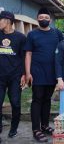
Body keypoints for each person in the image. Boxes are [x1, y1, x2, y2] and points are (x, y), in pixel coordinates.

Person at [24, 8, 63, 143]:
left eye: (46, 17)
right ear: (37, 19)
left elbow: (63, 50)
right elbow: (28, 54)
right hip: (37, 73)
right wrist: (28, 73)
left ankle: (45, 125)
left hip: (52, 73)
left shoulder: (57, 33)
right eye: (41, 17)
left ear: (50, 20)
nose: (44, 19)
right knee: (37, 99)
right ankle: (36, 129)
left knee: (47, 100)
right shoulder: (32, 34)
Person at [0, 11, 26, 140]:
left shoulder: (20, 37)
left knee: (15, 103)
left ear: (7, 21)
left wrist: (24, 74)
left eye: (0, 20)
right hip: (0, 77)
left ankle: (13, 128)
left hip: (15, 77)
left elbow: (24, 57)